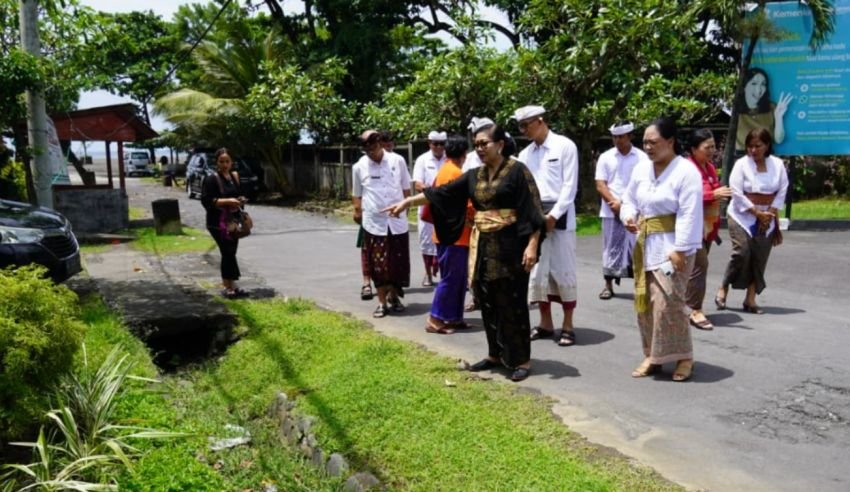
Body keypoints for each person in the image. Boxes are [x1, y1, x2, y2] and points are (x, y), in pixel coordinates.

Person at [383, 125, 546, 382]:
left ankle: (521, 359)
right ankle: (495, 354)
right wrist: (407, 202)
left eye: (484, 143)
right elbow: (441, 192)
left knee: (512, 302)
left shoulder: (518, 171)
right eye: (476, 144)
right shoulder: (474, 175)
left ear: (500, 144)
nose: (479, 149)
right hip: (483, 247)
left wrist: (532, 245)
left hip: (512, 246)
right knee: (487, 300)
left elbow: (533, 211)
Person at [620, 117, 702, 382]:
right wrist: (628, 216)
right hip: (646, 244)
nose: (648, 147)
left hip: (674, 248)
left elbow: (689, 214)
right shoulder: (641, 170)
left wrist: (680, 249)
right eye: (645, 142)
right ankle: (653, 355)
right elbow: (629, 200)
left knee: (669, 303)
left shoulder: (686, 172)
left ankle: (684, 356)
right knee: (645, 304)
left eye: (653, 142)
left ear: (670, 141)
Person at [515, 105, 579, 347]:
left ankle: (568, 324)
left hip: (560, 216)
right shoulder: (525, 154)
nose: (524, 130)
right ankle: (545, 322)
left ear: (540, 121)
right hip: (535, 217)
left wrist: (554, 215)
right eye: (520, 126)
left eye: (526, 125)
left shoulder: (564, 146)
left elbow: (569, 186)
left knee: (563, 270)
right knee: (538, 271)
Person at [716, 127, 788, 315]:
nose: (753, 150)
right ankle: (724, 287)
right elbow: (736, 192)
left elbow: (782, 190)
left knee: (760, 256)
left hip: (768, 216)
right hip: (742, 215)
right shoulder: (741, 164)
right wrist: (756, 213)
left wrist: (769, 214)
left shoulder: (778, 165)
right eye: (750, 146)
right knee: (742, 252)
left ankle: (750, 299)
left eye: (758, 146)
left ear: (767, 145)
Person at [352, 130, 412, 318]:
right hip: (374, 224)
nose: (372, 153)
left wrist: (405, 209)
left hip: (397, 222)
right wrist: (358, 212)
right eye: (367, 150)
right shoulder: (359, 167)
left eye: (374, 148)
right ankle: (381, 303)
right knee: (378, 265)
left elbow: (406, 189)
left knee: (397, 262)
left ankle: (394, 297)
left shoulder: (397, 161)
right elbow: (357, 194)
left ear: (380, 144)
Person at [684, 129, 732, 330]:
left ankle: (684, 306)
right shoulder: (687, 169)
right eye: (707, 147)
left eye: (713, 146)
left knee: (693, 268)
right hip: (691, 226)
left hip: (707, 226)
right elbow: (689, 195)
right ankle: (695, 310)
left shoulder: (710, 167)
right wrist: (713, 195)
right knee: (700, 265)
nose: (712, 150)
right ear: (694, 149)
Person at [425, 135, 474, 334]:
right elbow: (468, 205)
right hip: (455, 235)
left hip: (448, 233)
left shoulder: (444, 170)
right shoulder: (456, 173)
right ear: (464, 154)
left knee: (458, 278)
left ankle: (453, 317)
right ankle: (435, 318)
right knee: (451, 278)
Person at [594, 120, 645, 300]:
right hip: (610, 209)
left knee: (637, 247)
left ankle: (640, 286)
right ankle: (608, 285)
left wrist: (625, 205)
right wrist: (614, 203)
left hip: (634, 210)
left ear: (630, 136)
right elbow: (600, 184)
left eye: (621, 137)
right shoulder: (605, 157)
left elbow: (644, 183)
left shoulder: (642, 158)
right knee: (610, 247)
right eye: (615, 137)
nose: (617, 140)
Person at [201, 148, 248, 298]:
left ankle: (232, 284)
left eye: (227, 161)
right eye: (221, 161)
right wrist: (227, 201)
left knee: (231, 252)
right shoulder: (211, 179)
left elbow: (238, 194)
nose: (225, 164)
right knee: (227, 251)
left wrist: (240, 200)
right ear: (216, 162)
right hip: (217, 222)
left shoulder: (234, 176)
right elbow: (207, 201)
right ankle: (227, 286)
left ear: (231, 162)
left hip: (233, 220)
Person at [412, 131, 448, 287]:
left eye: (442, 144)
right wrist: (431, 191)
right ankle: (427, 274)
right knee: (426, 240)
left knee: (446, 240)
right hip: (428, 204)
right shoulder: (422, 159)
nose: (439, 147)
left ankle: (445, 273)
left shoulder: (450, 158)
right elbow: (417, 183)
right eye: (435, 144)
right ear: (429, 144)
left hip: (446, 206)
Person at [735, 67, 793, 151]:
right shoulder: (736, 110)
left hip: (765, 155)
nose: (758, 89)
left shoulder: (771, 108)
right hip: (742, 155)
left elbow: (779, 140)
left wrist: (778, 117)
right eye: (754, 83)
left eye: (763, 84)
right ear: (744, 86)